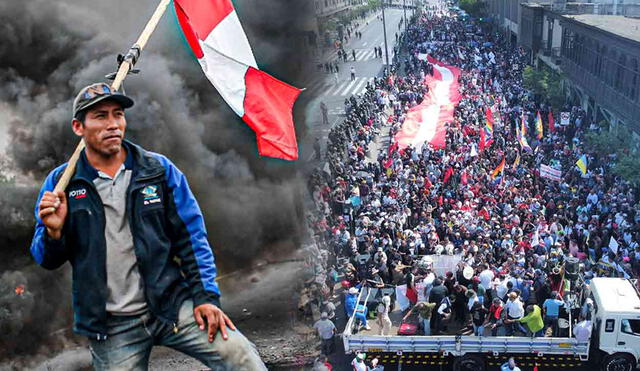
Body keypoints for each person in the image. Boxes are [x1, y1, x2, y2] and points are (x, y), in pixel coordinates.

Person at [30, 83, 265, 370]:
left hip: (171, 305)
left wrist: (205, 297)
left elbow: (191, 237)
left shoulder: (157, 170)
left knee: (241, 356)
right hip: (111, 325)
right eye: (100, 116)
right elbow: (45, 258)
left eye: (118, 114)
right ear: (79, 127)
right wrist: (54, 232)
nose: (113, 124)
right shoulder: (62, 184)